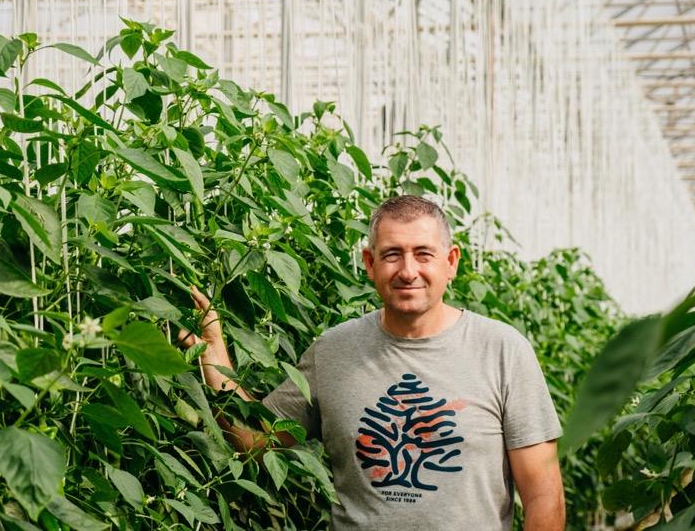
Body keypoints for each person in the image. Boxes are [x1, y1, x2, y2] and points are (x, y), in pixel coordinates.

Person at [179, 195, 565, 530]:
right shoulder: (332, 351)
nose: (408, 271)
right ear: (369, 262)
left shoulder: (502, 351)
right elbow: (255, 441)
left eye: (423, 255)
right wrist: (215, 356)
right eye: (392, 255)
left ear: (451, 262)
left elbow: (545, 499)